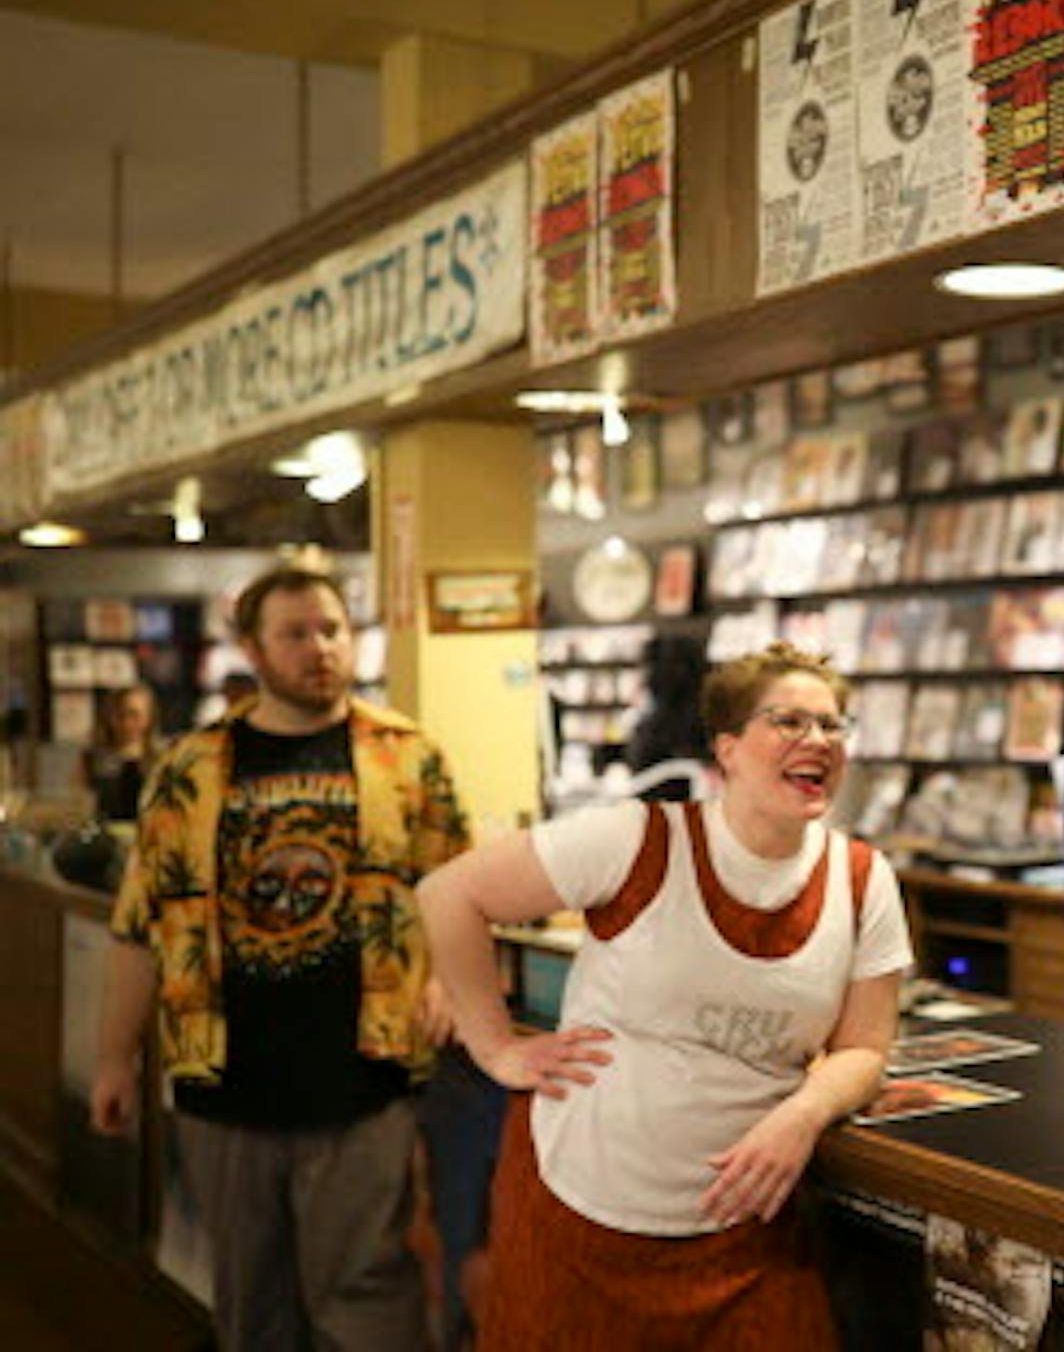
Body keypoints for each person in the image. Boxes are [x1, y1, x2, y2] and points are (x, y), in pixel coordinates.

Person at [418, 641, 911, 1349]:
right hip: (578, 1212)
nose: (819, 740)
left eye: (833, 725)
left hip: (744, 1233)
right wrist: (496, 1047)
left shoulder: (863, 878)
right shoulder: (637, 838)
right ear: (729, 748)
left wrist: (806, 1112)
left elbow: (864, 1047)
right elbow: (450, 893)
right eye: (791, 721)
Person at [90, 563, 470, 1352]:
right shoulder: (187, 770)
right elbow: (139, 926)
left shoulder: (409, 756)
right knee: (252, 1303)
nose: (320, 648)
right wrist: (113, 1058)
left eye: (332, 628)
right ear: (253, 650)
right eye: (295, 633)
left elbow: (460, 889)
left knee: (368, 1295)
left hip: (365, 1078)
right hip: (225, 1082)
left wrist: (448, 981)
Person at [80, 683, 159, 823]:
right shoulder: (91, 758)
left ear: (149, 717)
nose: (127, 722)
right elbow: (79, 804)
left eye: (134, 715)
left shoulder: (160, 759)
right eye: (120, 714)